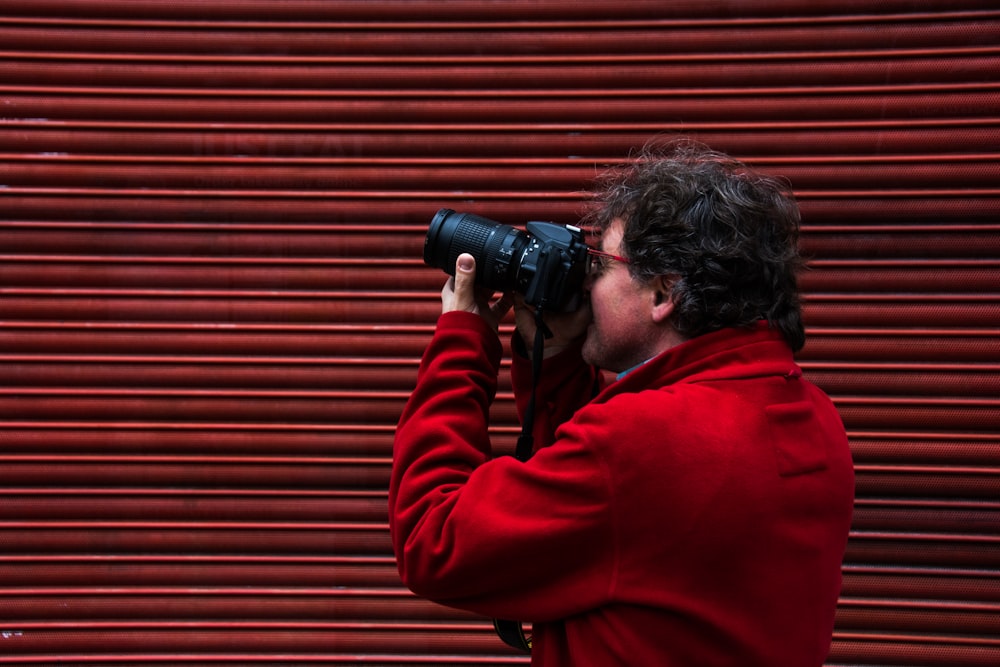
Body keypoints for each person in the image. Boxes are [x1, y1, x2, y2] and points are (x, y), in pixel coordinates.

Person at [389, 138, 855, 666]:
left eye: (601, 265)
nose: (586, 283)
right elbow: (616, 527)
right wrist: (560, 356)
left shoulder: (647, 445)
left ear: (663, 293)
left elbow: (434, 539)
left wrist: (463, 339)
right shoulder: (811, 415)